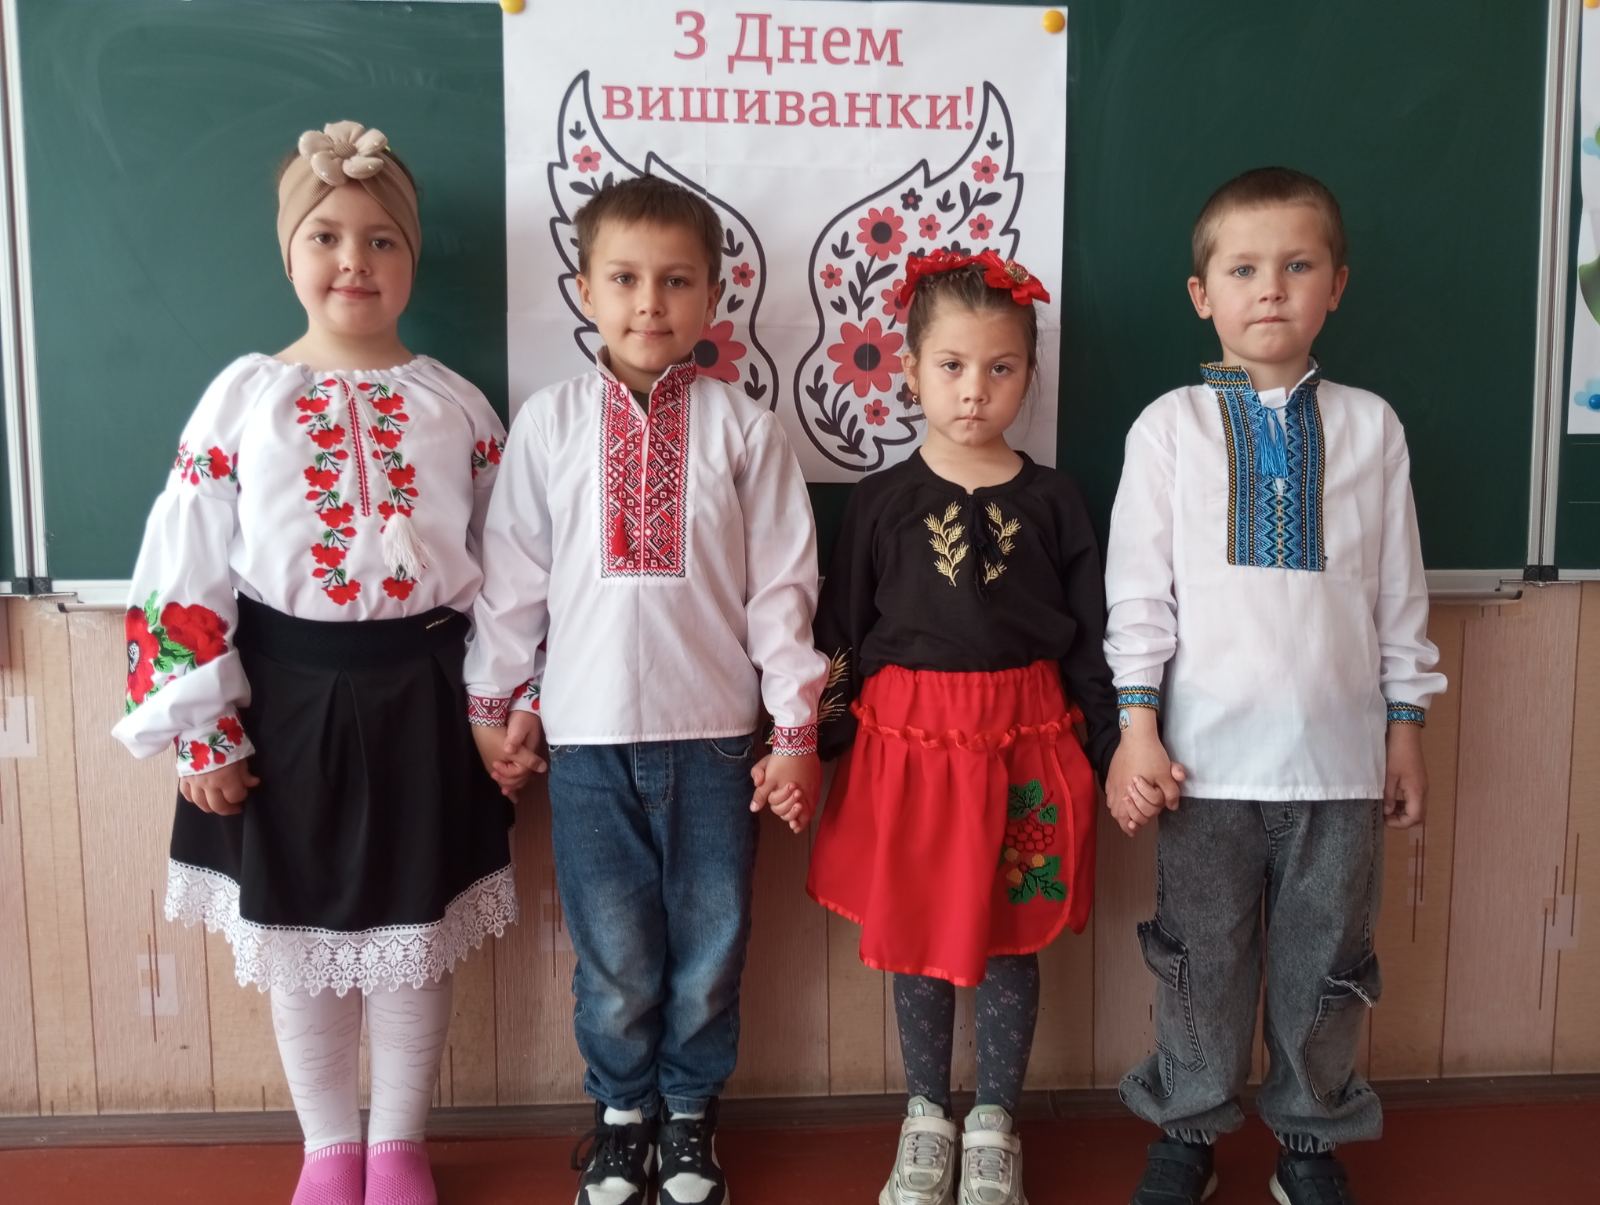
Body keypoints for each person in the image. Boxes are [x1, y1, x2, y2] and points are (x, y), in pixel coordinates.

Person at [112, 121, 518, 1205]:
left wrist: (506, 700)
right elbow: (183, 562)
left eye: (382, 239)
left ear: (412, 257)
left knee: (413, 926)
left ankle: (401, 1143)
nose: (354, 260)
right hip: (280, 700)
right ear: (287, 251)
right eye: (327, 235)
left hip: (428, 696)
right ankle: (329, 1146)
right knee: (298, 934)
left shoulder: (457, 403)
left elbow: (510, 564)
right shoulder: (244, 396)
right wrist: (202, 725)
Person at [463, 173, 828, 1205]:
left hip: (716, 740)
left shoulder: (744, 430)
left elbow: (783, 591)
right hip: (583, 743)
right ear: (584, 289)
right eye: (623, 278)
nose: (649, 302)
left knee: (710, 947)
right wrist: (495, 705)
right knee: (616, 955)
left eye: (675, 280)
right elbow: (513, 582)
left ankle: (690, 1117)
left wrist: (794, 730)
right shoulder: (548, 424)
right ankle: (622, 1117)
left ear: (713, 295)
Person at [1103, 167, 1446, 1205]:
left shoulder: (1371, 427)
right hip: (1202, 767)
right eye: (1243, 268)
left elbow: (1399, 593)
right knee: (1197, 962)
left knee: (1326, 966)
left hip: (1338, 767)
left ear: (1335, 285)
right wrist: (1136, 728)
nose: (1270, 289)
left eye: (1297, 266)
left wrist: (1403, 727)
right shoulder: (1168, 427)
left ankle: (1307, 1138)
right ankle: (1188, 1129)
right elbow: (1139, 595)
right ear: (1201, 292)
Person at [806, 249, 1118, 1205]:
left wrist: (1112, 750)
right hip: (907, 756)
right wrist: (814, 746)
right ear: (908, 369)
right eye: (951, 365)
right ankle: (926, 1116)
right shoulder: (880, 500)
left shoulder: (1057, 500)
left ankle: (994, 1126)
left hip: (1028, 748)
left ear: (1029, 372)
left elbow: (1091, 639)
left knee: (1013, 939)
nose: (975, 389)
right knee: (918, 936)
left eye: (1000, 367)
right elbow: (840, 633)